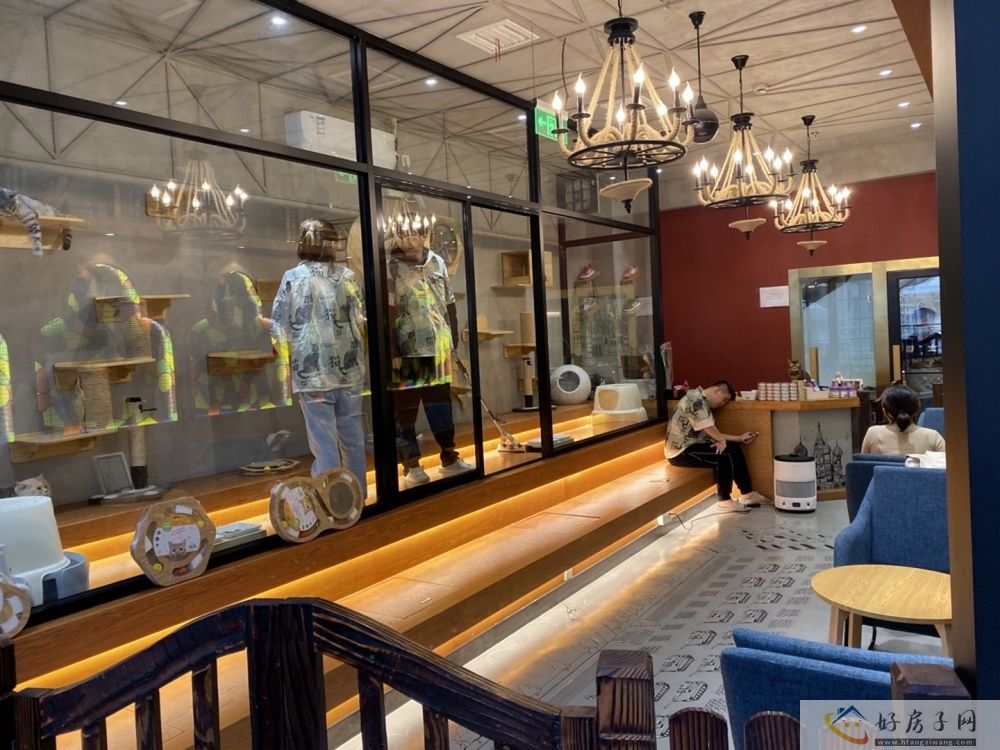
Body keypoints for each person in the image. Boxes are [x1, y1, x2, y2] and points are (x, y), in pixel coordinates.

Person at [271, 219, 368, 495]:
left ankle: (334, 501)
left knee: (324, 444)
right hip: (350, 372)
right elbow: (362, 322)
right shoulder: (348, 277)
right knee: (353, 439)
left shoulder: (293, 277)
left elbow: (279, 327)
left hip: (313, 375)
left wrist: (286, 361)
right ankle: (357, 496)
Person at [386, 211, 473, 488]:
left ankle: (449, 456)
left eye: (415, 234)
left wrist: (452, 341)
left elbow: (449, 303)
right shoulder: (390, 267)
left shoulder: (437, 262)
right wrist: (393, 351)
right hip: (408, 349)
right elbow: (388, 310)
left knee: (440, 406)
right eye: (404, 234)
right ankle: (411, 464)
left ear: (425, 236)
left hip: (438, 347)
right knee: (406, 411)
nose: (409, 240)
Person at [664, 380, 768, 512]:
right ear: (717, 390)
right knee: (724, 455)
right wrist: (720, 440)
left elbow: (712, 431)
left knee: (734, 447)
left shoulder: (702, 402)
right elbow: (709, 428)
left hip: (695, 445)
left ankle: (747, 494)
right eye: (724, 399)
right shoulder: (694, 399)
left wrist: (739, 438)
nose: (722, 404)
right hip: (681, 452)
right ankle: (725, 500)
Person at [861, 382, 945, 455]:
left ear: (885, 411)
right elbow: (947, 466)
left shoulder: (873, 433)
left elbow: (863, 466)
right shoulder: (933, 437)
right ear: (916, 410)